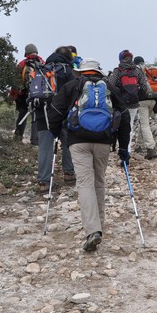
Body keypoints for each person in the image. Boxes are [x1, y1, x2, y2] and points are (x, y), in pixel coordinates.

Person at [47, 58, 131, 252]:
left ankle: (93, 230)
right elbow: (124, 116)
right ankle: (98, 227)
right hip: (103, 141)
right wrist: (123, 148)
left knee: (85, 183)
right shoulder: (109, 87)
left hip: (78, 141)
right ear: (98, 72)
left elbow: (55, 111)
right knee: (99, 182)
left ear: (81, 72)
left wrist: (55, 134)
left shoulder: (71, 86)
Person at [34, 46, 76, 193]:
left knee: (45, 147)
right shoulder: (68, 71)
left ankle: (43, 182)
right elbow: (73, 93)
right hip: (62, 114)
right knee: (68, 142)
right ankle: (69, 173)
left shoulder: (43, 69)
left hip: (42, 113)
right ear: (69, 57)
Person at [108, 50, 151, 153]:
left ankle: (116, 146)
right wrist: (137, 93)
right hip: (134, 103)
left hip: (120, 102)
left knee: (116, 123)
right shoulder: (137, 71)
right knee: (129, 125)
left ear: (120, 58)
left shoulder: (118, 70)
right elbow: (145, 87)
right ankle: (127, 150)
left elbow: (110, 85)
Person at [11, 43, 42, 145]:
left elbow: (15, 82)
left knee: (22, 114)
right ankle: (35, 141)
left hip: (23, 95)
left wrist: (12, 96)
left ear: (26, 53)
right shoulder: (43, 63)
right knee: (35, 116)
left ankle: (18, 137)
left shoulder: (22, 64)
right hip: (38, 95)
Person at [132, 55, 157, 159]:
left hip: (142, 102)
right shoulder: (150, 71)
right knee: (143, 123)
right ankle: (139, 147)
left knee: (145, 125)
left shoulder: (137, 71)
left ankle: (151, 149)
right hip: (153, 100)